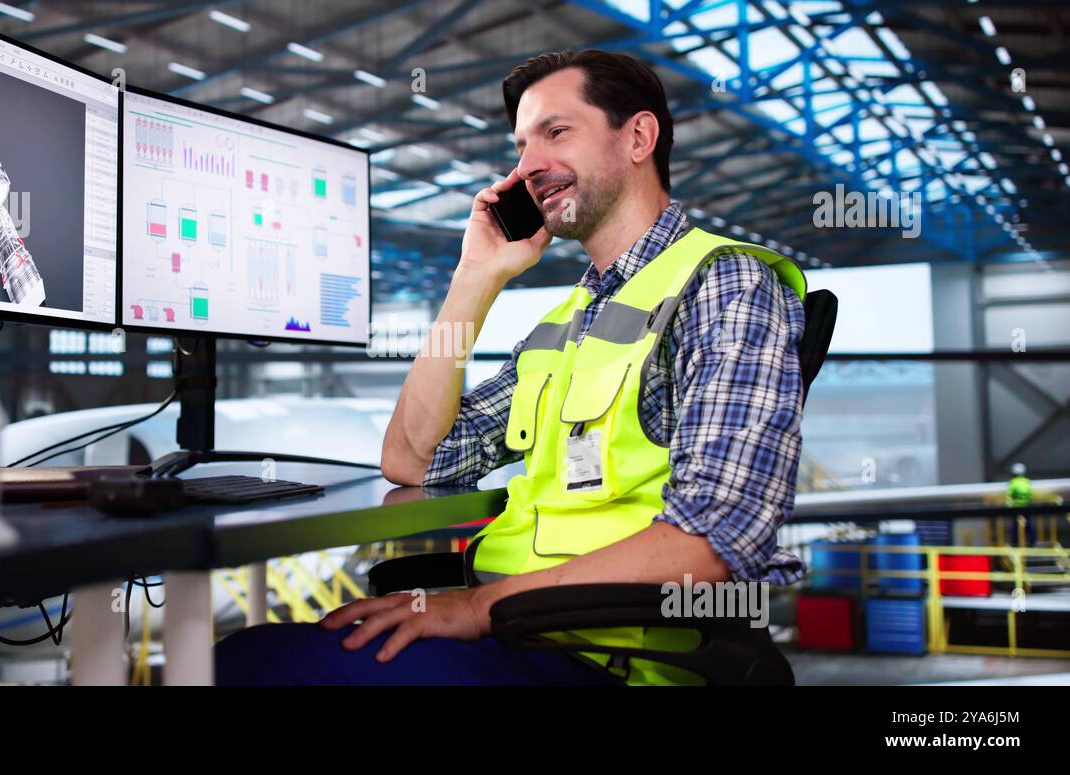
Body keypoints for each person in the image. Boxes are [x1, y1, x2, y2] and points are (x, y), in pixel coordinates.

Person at [216, 49, 807, 685]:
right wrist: (475, 277)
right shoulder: (568, 322)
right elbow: (414, 458)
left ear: (638, 137)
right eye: (522, 145)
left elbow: (715, 539)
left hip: (618, 661)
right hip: (522, 636)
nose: (528, 167)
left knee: (253, 666)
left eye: (557, 132)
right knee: (247, 655)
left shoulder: (725, 285)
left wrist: (477, 606)